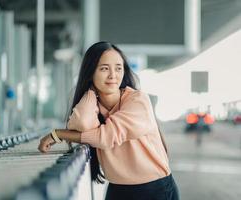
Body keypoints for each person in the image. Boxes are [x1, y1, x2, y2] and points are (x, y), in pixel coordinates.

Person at [38, 41, 180, 200]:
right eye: (104, 68)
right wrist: (91, 91)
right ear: (91, 72)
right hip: (117, 189)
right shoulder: (93, 106)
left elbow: (106, 137)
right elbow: (82, 123)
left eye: (118, 68)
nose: (113, 75)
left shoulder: (138, 101)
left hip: (154, 190)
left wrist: (58, 135)